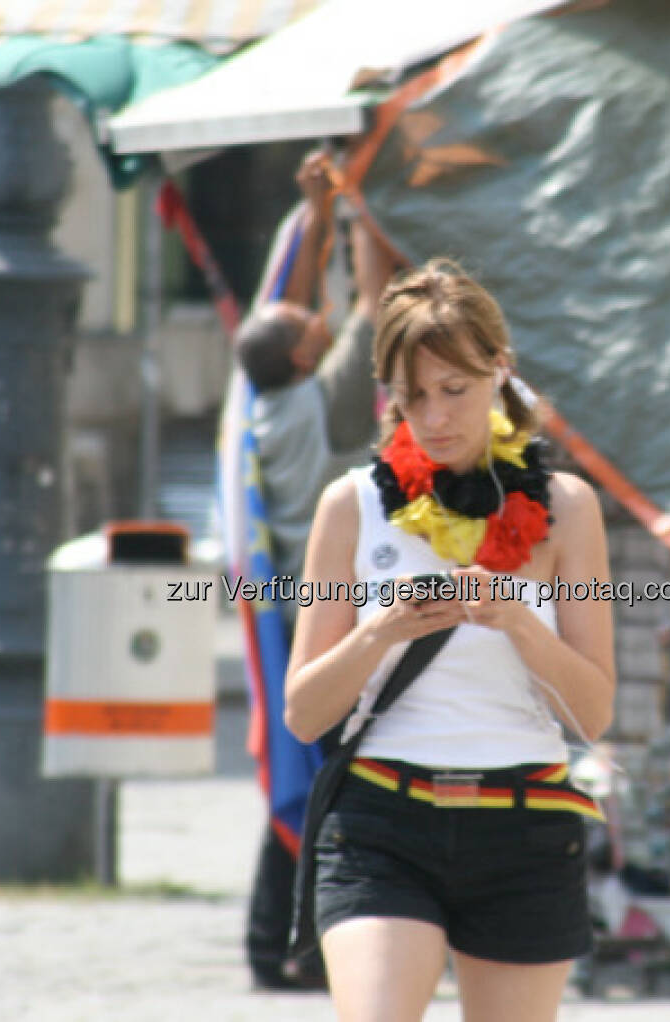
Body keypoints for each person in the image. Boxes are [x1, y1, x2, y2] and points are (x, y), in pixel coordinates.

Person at [283, 258, 616, 1021]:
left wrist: (518, 622)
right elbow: (303, 714)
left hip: (525, 826)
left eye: (454, 390)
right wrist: (380, 631)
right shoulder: (351, 506)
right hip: (381, 823)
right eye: (412, 397)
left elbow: (592, 714)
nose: (434, 418)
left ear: (500, 372)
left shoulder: (568, 509)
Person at [236, 149, 404, 990]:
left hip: (300, 598)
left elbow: (284, 310)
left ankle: (279, 941)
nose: (321, 320)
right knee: (332, 779)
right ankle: (285, 943)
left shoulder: (264, 402)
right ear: (307, 358)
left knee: (314, 773)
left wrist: (317, 217)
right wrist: (369, 204)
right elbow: (373, 304)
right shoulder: (323, 402)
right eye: (313, 330)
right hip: (330, 606)